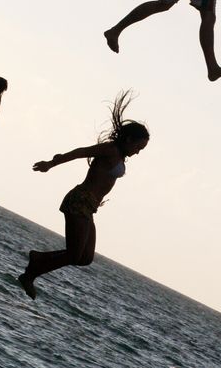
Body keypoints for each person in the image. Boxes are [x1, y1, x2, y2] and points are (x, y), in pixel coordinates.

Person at [17, 91, 148, 299]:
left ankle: (37, 260)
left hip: (89, 207)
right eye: (138, 147)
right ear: (129, 139)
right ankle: (31, 272)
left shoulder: (120, 156)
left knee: (85, 257)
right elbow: (80, 152)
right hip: (79, 200)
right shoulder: (110, 149)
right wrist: (51, 164)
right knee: (74, 254)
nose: (138, 152)